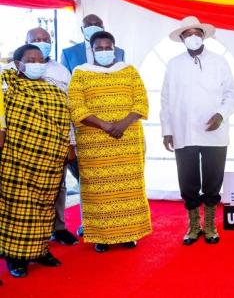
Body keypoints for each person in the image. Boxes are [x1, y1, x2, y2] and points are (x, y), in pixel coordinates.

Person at [67, 31, 151, 252]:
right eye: (99, 48)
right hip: (95, 143)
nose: (105, 51)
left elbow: (141, 101)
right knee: (99, 190)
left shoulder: (129, 70)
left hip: (127, 140)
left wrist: (122, 124)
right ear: (92, 51)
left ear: (114, 48)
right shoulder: (80, 73)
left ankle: (129, 233)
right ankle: (101, 237)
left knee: (128, 189)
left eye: (108, 47)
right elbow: (76, 106)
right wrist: (104, 125)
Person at [161, 16, 234, 245]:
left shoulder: (219, 62)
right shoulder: (173, 64)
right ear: (182, 38)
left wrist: (221, 115)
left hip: (214, 131)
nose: (193, 37)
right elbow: (165, 99)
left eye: (197, 33)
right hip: (183, 131)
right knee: (188, 180)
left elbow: (232, 94)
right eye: (188, 34)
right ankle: (194, 225)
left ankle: (210, 224)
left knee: (213, 179)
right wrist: (167, 129)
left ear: (203, 36)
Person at [0, 44, 72, 277]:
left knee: (44, 207)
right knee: (17, 208)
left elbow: (65, 121)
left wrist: (67, 148)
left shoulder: (53, 90)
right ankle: (15, 256)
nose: (36, 64)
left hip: (49, 163)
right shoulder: (7, 86)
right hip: (16, 161)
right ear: (18, 63)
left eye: (40, 60)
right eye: (31, 60)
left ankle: (39, 250)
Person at [24, 27, 79, 246]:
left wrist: (71, 144)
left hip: (57, 142)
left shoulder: (61, 71)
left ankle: (59, 228)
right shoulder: (11, 71)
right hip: (24, 143)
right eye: (36, 40)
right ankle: (28, 236)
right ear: (26, 42)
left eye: (46, 39)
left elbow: (69, 110)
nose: (42, 43)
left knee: (58, 185)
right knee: (24, 190)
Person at [60, 14, 125, 73]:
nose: (93, 28)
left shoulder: (119, 52)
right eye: (88, 25)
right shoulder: (68, 53)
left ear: (103, 28)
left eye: (97, 25)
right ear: (82, 29)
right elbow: (64, 80)